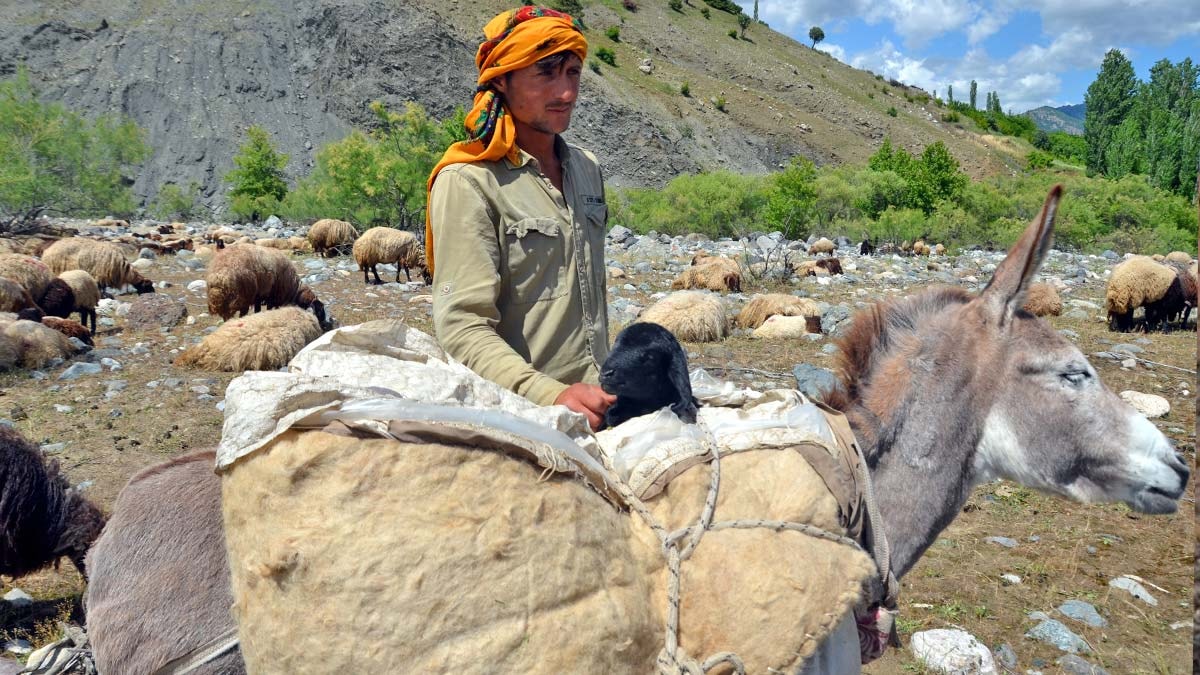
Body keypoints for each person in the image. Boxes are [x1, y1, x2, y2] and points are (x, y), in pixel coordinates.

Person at [425, 7, 615, 430]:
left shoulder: (587, 169)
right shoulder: (468, 182)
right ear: (502, 81)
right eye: (545, 73)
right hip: (520, 419)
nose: (566, 92)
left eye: (573, 72)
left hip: (599, 402)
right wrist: (550, 395)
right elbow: (462, 327)